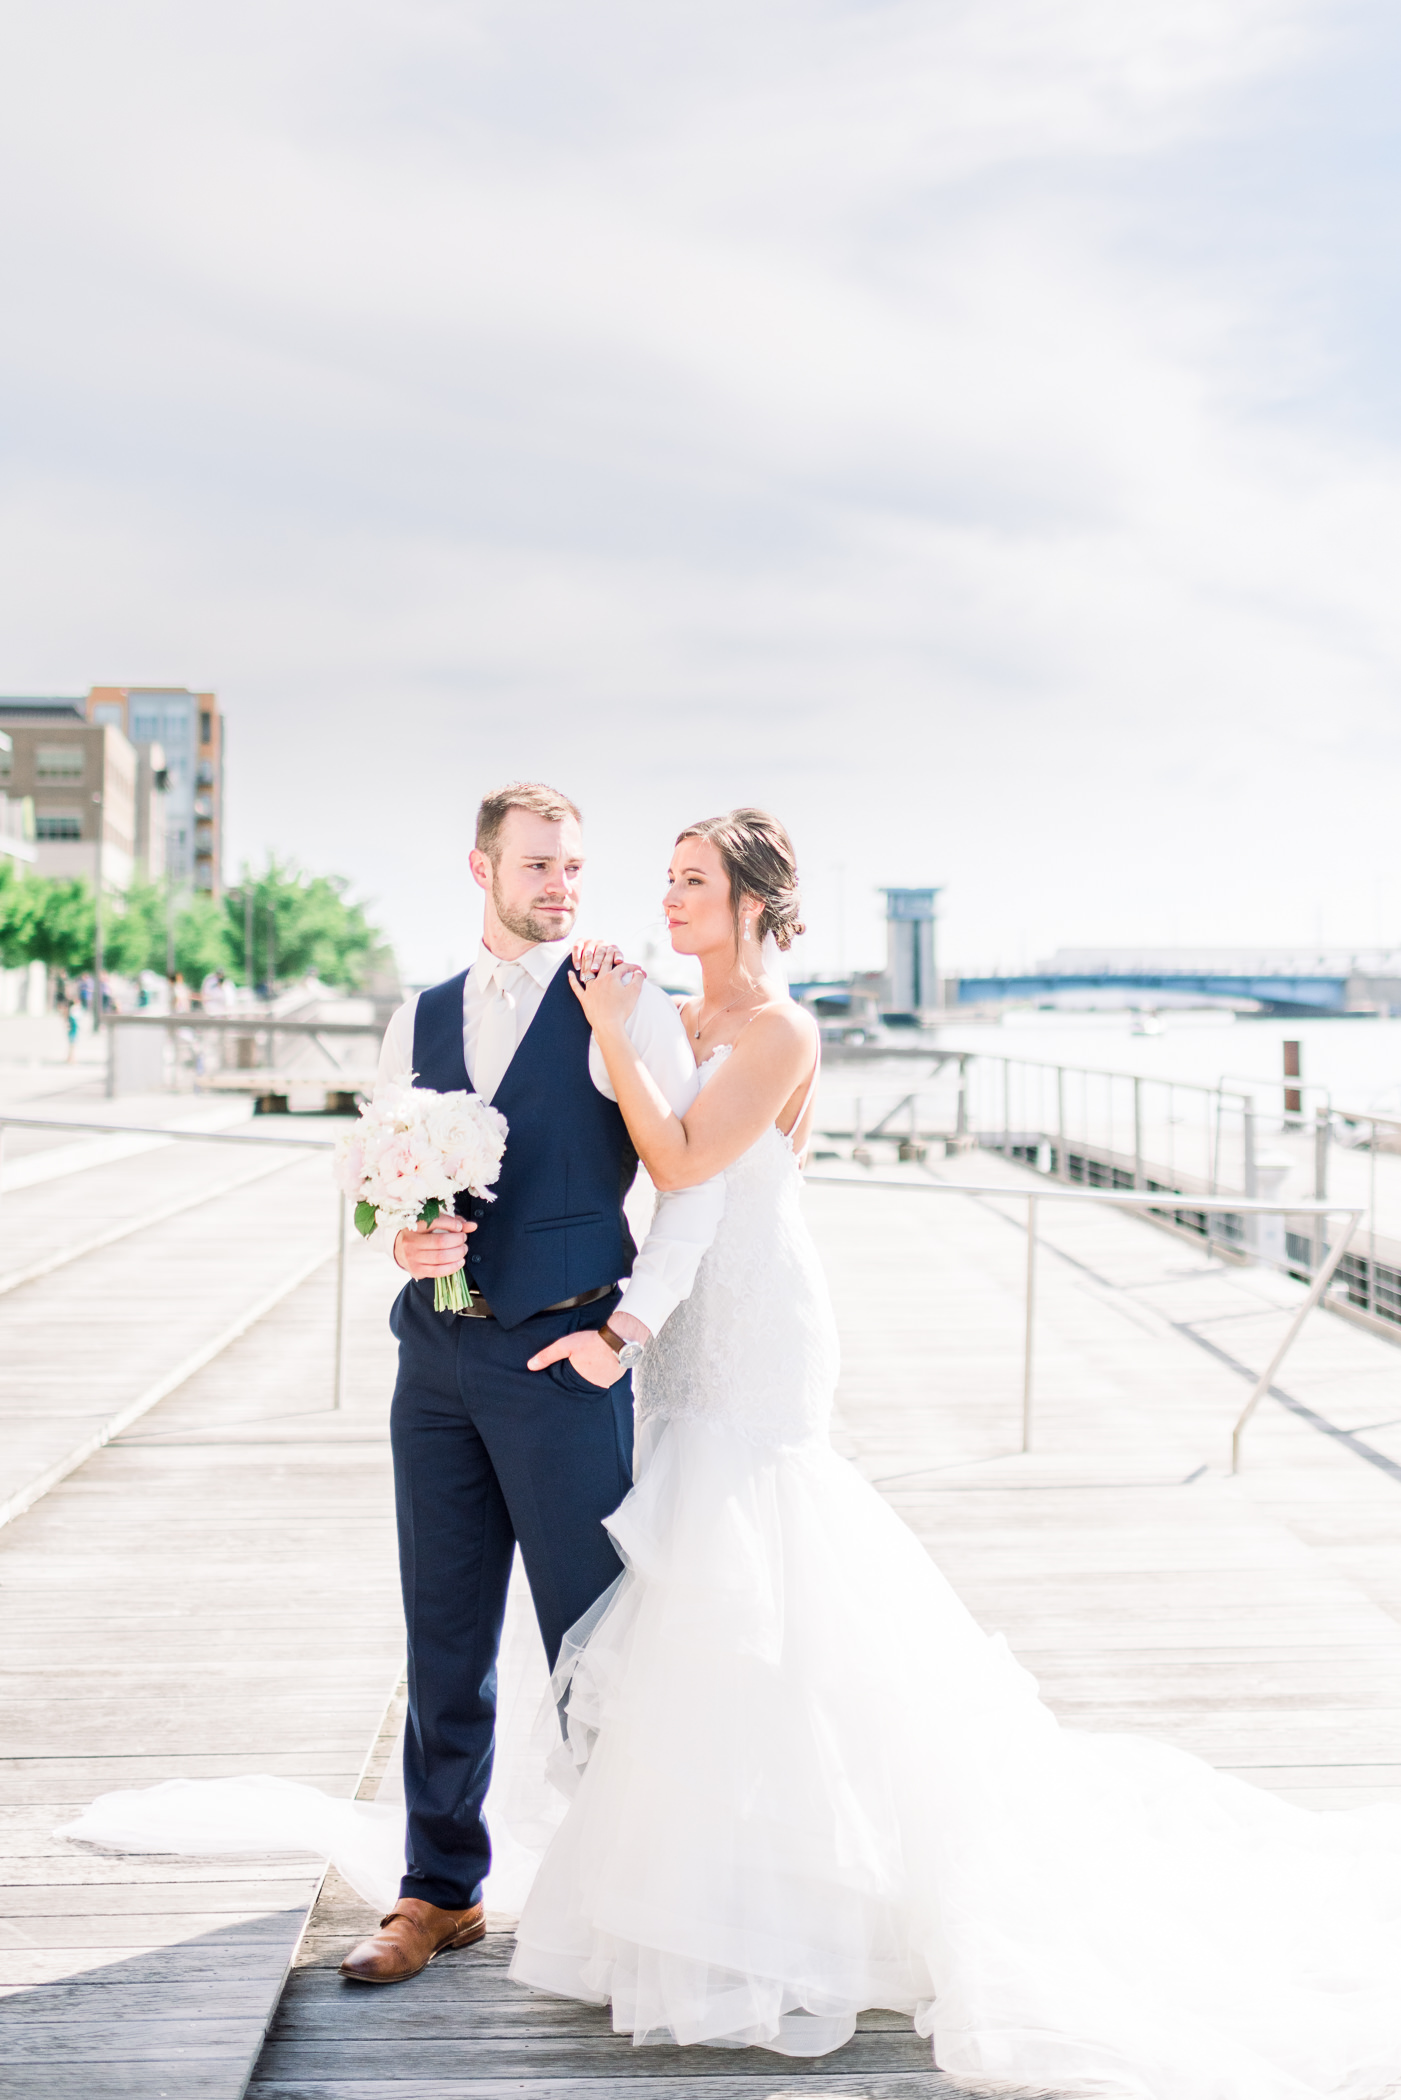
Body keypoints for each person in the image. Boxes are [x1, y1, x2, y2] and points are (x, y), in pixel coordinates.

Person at [503, 808, 1401, 2092]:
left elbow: (686, 1154)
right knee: (686, 1595)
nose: (673, 899)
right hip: (681, 1315)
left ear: (757, 901)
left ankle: (806, 1891)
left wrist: (606, 1031)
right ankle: (711, 1872)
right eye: (670, 880)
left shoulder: (781, 1030)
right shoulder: (677, 1021)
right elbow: (634, 1169)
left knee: (766, 1575)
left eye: (695, 882)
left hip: (759, 1324)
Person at [335, 781, 724, 1982]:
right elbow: (387, 1182)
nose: (561, 887)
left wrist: (630, 1330)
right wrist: (401, 1240)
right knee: (443, 1631)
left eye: (574, 868)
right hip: (436, 1361)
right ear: (482, 869)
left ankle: (633, 1901)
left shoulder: (623, 1002)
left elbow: (691, 1181)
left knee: (593, 1639)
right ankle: (437, 1889)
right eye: (539, 866)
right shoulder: (424, 1015)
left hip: (565, 1360)